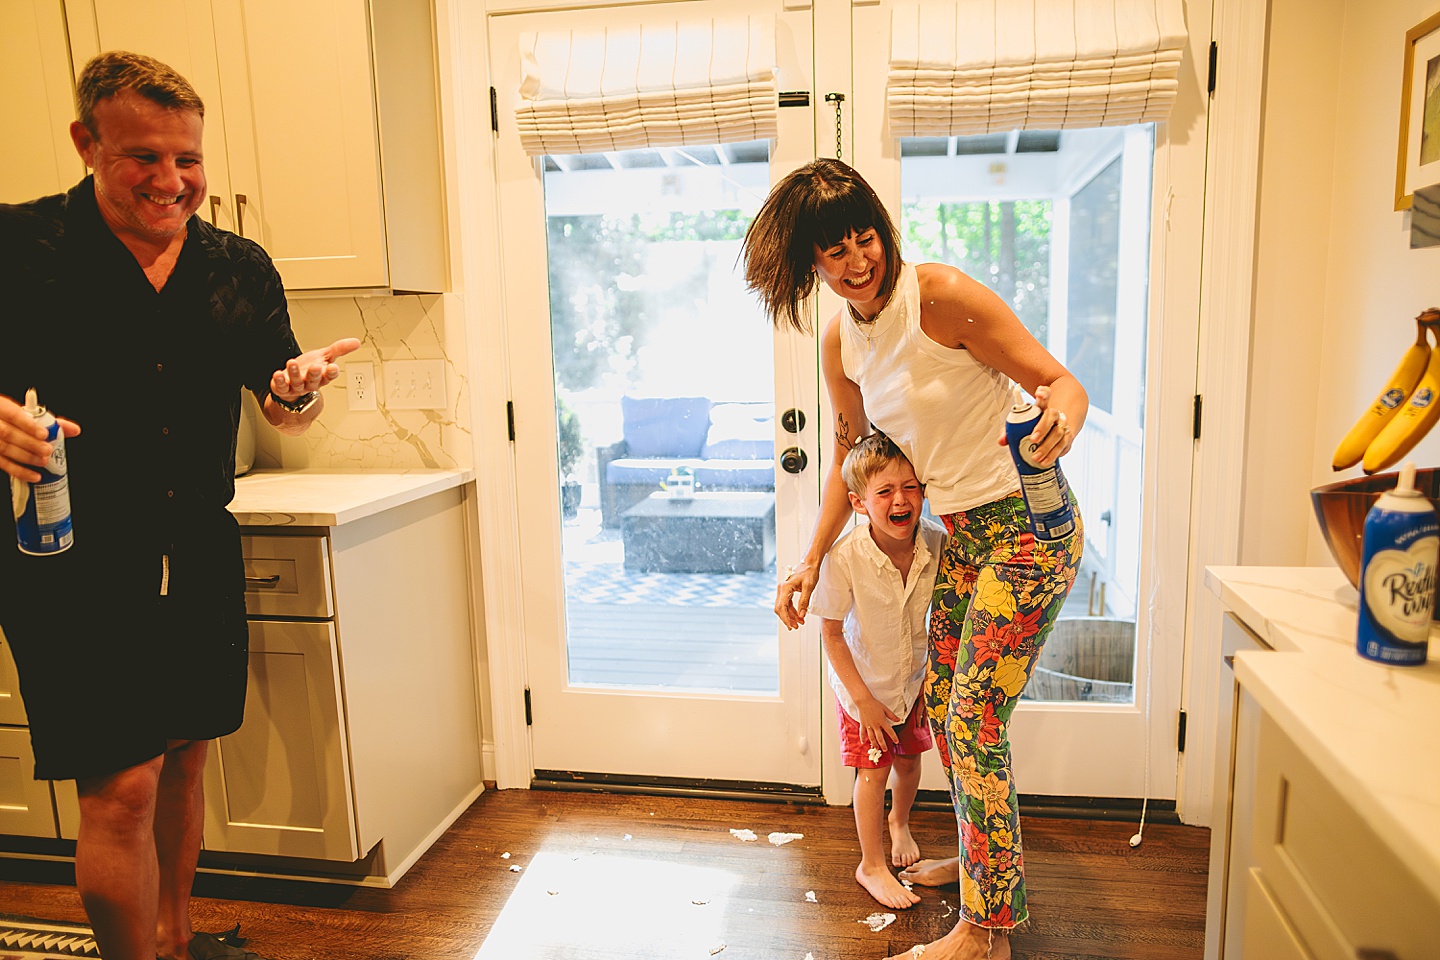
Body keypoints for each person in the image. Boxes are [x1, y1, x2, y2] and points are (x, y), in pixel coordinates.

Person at [0, 51, 358, 960]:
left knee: (186, 762)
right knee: (121, 787)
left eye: (188, 159)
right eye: (143, 158)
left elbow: (280, 398)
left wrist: (297, 390)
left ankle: (174, 937)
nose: (172, 181)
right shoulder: (20, 248)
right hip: (70, 558)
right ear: (88, 143)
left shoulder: (236, 266)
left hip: (195, 546)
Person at [741, 159, 1086, 960]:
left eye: (865, 236)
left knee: (970, 724)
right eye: (835, 251)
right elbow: (848, 457)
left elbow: (1059, 381)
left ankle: (985, 933)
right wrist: (809, 559)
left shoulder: (942, 298)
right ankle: (979, 875)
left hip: (1031, 528)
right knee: (948, 711)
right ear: (812, 264)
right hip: (967, 533)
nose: (859, 260)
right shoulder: (842, 341)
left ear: (882, 230)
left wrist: (1062, 422)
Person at [808, 433, 946, 910]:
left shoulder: (935, 542)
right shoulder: (844, 559)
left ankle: (899, 821)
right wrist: (864, 702)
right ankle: (871, 863)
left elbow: (946, 616)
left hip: (912, 684)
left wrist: (931, 681)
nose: (900, 499)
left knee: (909, 763)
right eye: (884, 492)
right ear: (859, 503)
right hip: (865, 692)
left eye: (910, 486)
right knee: (874, 771)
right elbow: (830, 633)